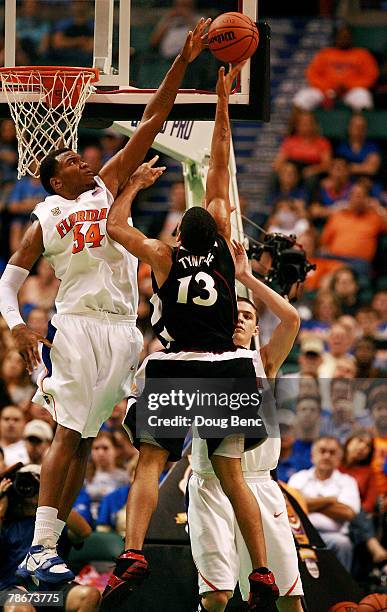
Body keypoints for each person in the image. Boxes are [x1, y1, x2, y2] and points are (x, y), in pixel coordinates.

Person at [0, 19, 210, 584]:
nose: (81, 156)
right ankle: (40, 545)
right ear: (53, 182)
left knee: (89, 438)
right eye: (68, 159)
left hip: (122, 329)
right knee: (69, 433)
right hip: (75, 325)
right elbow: (8, 279)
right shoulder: (46, 215)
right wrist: (17, 324)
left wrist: (184, 62)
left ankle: (49, 546)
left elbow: (152, 120)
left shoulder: (109, 186)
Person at [103, 64, 282, 611]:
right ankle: (263, 569)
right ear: (222, 233)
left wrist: (131, 188)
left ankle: (133, 552)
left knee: (151, 463)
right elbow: (221, 161)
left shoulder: (161, 255)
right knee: (233, 475)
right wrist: (222, 104)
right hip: (228, 365)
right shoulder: (230, 253)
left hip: (174, 365)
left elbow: (113, 227)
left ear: (179, 235)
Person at [188, 283, 302, 612]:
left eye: (248, 315)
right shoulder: (199, 358)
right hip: (212, 484)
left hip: (260, 484)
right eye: (233, 314)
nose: (240, 320)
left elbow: (291, 320)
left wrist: (247, 277)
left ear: (255, 327)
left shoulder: (263, 361)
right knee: (216, 596)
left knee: (288, 596)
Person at [0, 465, 101, 612]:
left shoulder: (54, 523)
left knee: (89, 596)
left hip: (49, 593)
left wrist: (50, 498)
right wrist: (2, 504)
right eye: (22, 483)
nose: (28, 488)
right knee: (21, 607)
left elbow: (84, 532)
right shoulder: (6, 523)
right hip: (11, 590)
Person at [288, 436, 361, 571]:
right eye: (322, 451)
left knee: (343, 543)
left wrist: (308, 502)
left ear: (339, 458)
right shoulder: (299, 477)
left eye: (332, 452)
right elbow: (292, 507)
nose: (327, 456)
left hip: (332, 536)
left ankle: (343, 590)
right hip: (301, 535)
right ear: (312, 455)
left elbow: (348, 513)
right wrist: (330, 500)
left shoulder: (347, 481)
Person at [293, 24, 379, 112]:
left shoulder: (362, 54)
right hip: (325, 91)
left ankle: (360, 125)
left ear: (351, 38)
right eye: (341, 36)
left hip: (351, 91)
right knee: (302, 97)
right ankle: (293, 125)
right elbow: (312, 74)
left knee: (363, 97)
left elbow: (370, 76)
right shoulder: (325, 53)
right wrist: (329, 88)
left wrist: (348, 86)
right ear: (336, 37)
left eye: (346, 36)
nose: (344, 39)